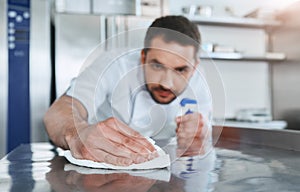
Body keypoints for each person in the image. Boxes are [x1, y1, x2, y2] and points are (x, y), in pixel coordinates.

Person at [43, 15, 212, 166]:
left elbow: (203, 131)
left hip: (163, 170)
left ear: (194, 67)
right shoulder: (114, 65)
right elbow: (57, 113)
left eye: (181, 70)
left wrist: (200, 133)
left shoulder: (199, 79)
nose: (167, 83)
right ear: (143, 57)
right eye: (157, 65)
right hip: (106, 165)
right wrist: (79, 133)